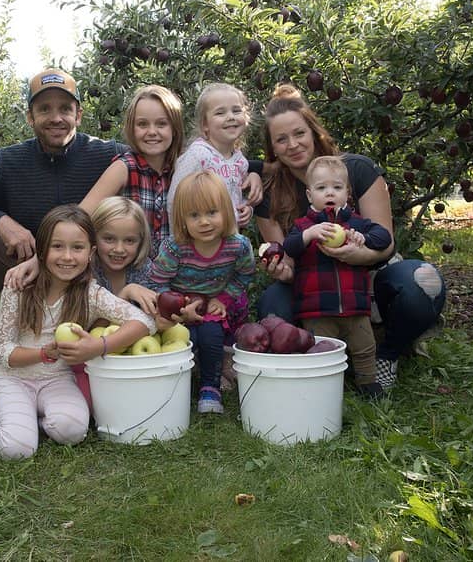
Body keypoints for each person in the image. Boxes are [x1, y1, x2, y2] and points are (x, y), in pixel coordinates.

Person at [0, 68, 125, 409]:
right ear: (30, 117)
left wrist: (252, 170)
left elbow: (161, 158)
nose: (56, 118)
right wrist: (1, 221)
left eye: (64, 108)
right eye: (44, 109)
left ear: (79, 114)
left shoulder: (103, 154)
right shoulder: (10, 161)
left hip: (85, 271)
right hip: (27, 267)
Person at [0, 205, 154, 460]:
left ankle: (27, 423)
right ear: (41, 251)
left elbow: (143, 321)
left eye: (77, 248)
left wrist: (99, 346)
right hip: (13, 377)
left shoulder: (91, 294)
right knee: (17, 449)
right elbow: (3, 353)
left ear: (91, 253)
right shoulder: (20, 287)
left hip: (56, 379)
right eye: (57, 247)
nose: (67, 256)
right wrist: (44, 353)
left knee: (73, 431)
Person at [255, 84, 446, 390]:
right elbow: (286, 259)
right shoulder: (268, 193)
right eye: (281, 139)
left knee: (424, 283)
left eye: (299, 133)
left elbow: (385, 241)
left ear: (313, 131)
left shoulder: (356, 169)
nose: (293, 144)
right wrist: (282, 267)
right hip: (315, 284)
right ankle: (324, 358)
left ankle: (387, 353)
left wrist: (359, 255)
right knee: (272, 305)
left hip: (369, 275)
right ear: (273, 148)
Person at [283, 156, 392, 398]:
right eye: (322, 188)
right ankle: (327, 388)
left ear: (347, 193)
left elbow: (383, 237)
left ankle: (369, 384)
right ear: (310, 195)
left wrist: (364, 240)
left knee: (365, 347)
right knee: (322, 350)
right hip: (317, 309)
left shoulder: (356, 223)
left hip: (355, 307)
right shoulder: (303, 225)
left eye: (337, 187)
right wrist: (309, 234)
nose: (329, 193)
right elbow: (289, 247)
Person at [149, 171, 255, 414]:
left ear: (226, 212)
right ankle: (179, 387)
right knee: (185, 340)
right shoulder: (175, 247)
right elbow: (158, 281)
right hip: (179, 307)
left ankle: (210, 386)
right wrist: (177, 309)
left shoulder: (237, 246)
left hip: (215, 305)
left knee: (210, 336)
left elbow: (245, 274)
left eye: (211, 212)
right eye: (194, 215)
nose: (204, 222)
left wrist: (224, 299)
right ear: (182, 219)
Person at [79, 85, 186, 255]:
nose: (152, 132)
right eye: (142, 124)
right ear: (132, 128)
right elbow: (80, 218)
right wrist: (40, 259)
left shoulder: (182, 169)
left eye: (161, 124)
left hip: (173, 272)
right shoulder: (124, 168)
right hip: (130, 272)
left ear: (174, 128)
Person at [167, 83, 258, 229]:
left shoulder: (239, 160)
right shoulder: (198, 155)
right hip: (199, 242)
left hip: (228, 241)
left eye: (236, 110)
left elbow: (235, 196)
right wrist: (178, 239)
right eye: (220, 113)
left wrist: (247, 209)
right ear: (205, 125)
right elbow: (175, 199)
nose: (230, 117)